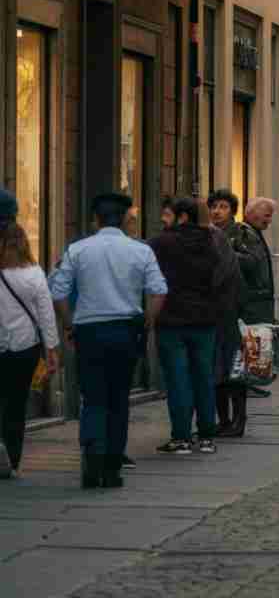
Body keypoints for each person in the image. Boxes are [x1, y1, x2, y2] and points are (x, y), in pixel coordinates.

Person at [51, 193, 168, 488]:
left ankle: (92, 455)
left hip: (89, 330)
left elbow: (59, 291)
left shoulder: (78, 250)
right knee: (119, 399)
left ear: (95, 220)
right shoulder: (140, 251)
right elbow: (158, 291)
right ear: (124, 219)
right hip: (126, 330)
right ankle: (113, 465)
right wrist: (148, 321)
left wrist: (68, 323)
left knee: (92, 397)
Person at [149, 197, 239, 455]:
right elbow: (223, 275)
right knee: (204, 377)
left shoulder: (163, 242)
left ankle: (181, 437)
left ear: (182, 217)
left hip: (172, 319)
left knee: (178, 379)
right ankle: (207, 436)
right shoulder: (213, 240)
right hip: (205, 320)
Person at [0, 193, 61, 479]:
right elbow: (46, 313)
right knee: (15, 404)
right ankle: (11, 460)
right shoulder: (34, 272)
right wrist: (51, 349)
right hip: (25, 348)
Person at [219, 197, 276, 436]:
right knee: (236, 369)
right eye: (267, 214)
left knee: (237, 369)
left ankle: (233, 421)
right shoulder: (245, 234)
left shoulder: (248, 234)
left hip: (249, 309)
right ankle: (232, 421)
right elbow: (250, 264)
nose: (269, 219)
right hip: (245, 310)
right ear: (251, 213)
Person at [207, 190, 246, 422]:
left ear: (232, 211)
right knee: (217, 367)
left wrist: (228, 256)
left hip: (234, 309)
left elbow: (254, 262)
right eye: (213, 206)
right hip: (216, 310)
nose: (217, 211)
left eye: (222, 206)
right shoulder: (208, 234)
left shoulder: (241, 233)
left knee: (234, 366)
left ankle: (238, 420)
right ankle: (223, 420)